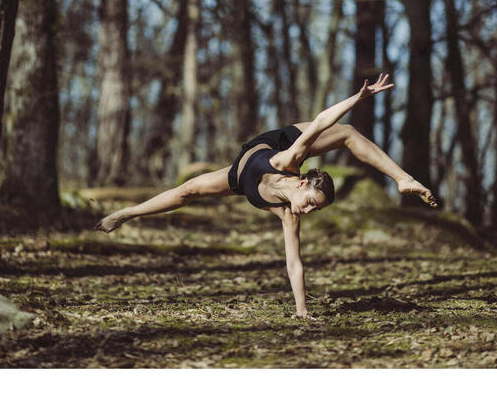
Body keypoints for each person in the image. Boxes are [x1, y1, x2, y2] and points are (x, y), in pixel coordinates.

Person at [95, 74, 438, 317]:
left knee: (190, 190)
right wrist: (358, 98)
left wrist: (302, 311)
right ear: (303, 184)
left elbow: (294, 263)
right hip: (274, 142)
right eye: (311, 204)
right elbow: (319, 123)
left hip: (239, 176)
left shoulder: (286, 213)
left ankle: (403, 179)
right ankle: (127, 212)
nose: (306, 212)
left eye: (313, 211)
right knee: (345, 131)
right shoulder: (289, 159)